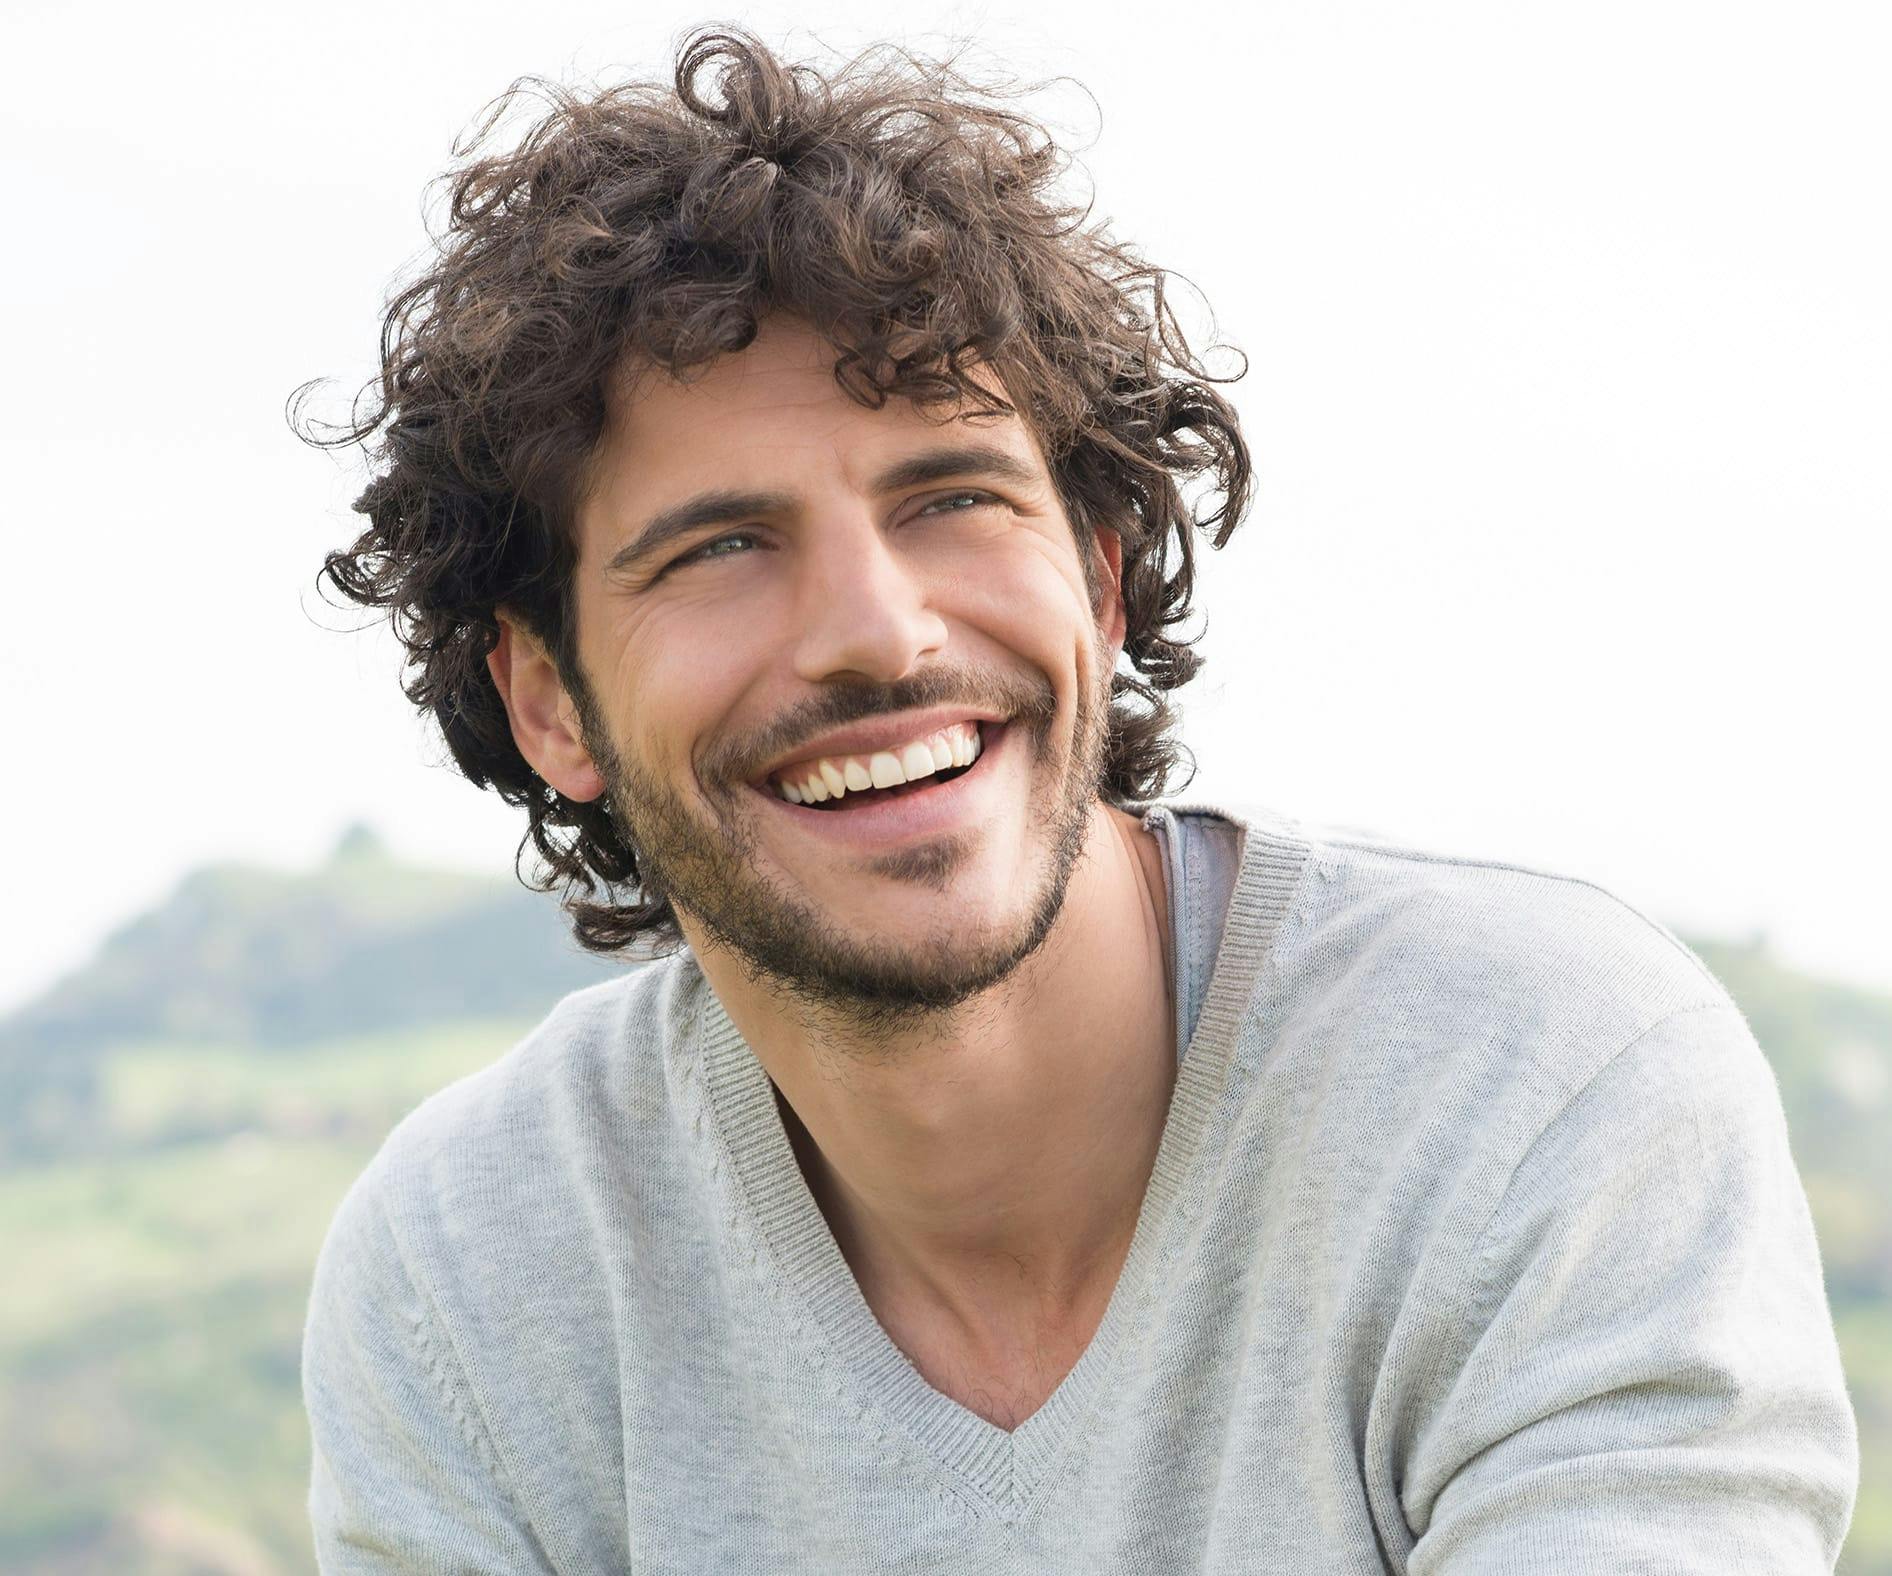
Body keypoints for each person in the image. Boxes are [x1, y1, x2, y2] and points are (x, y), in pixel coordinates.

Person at [298, 27, 1859, 1574]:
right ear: (550, 701)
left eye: (954, 498)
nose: (879, 633)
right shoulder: (471, 1282)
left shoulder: (1531, 1088)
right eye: (721, 547)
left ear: (1101, 579)